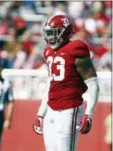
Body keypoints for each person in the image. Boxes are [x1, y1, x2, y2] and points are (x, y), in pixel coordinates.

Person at [33, 14, 100, 151]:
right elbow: (50, 85)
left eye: (53, 33)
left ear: (64, 32)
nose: (50, 37)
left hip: (69, 108)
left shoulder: (76, 48)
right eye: (48, 33)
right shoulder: (48, 52)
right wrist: (40, 113)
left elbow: (93, 84)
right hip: (51, 109)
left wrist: (89, 114)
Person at [0, 58, 14, 151]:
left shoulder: (6, 83)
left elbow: (11, 101)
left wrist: (8, 119)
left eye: (2, 68)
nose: (0, 70)